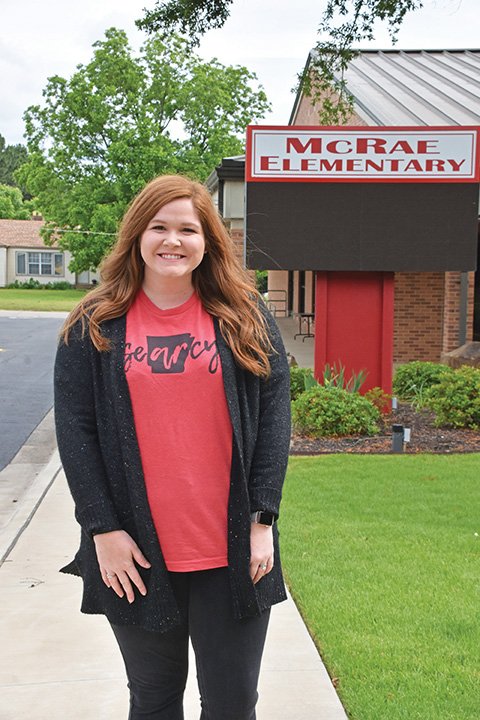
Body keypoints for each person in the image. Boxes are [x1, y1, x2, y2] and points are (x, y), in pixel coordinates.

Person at [54, 174, 291, 720]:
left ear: (208, 240)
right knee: (155, 700)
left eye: (188, 228)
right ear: (138, 234)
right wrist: (103, 531)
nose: (173, 240)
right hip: (135, 551)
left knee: (233, 705)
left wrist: (262, 522)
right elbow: (77, 433)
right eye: (159, 226)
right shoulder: (94, 324)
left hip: (231, 547)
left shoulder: (245, 315)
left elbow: (276, 417)